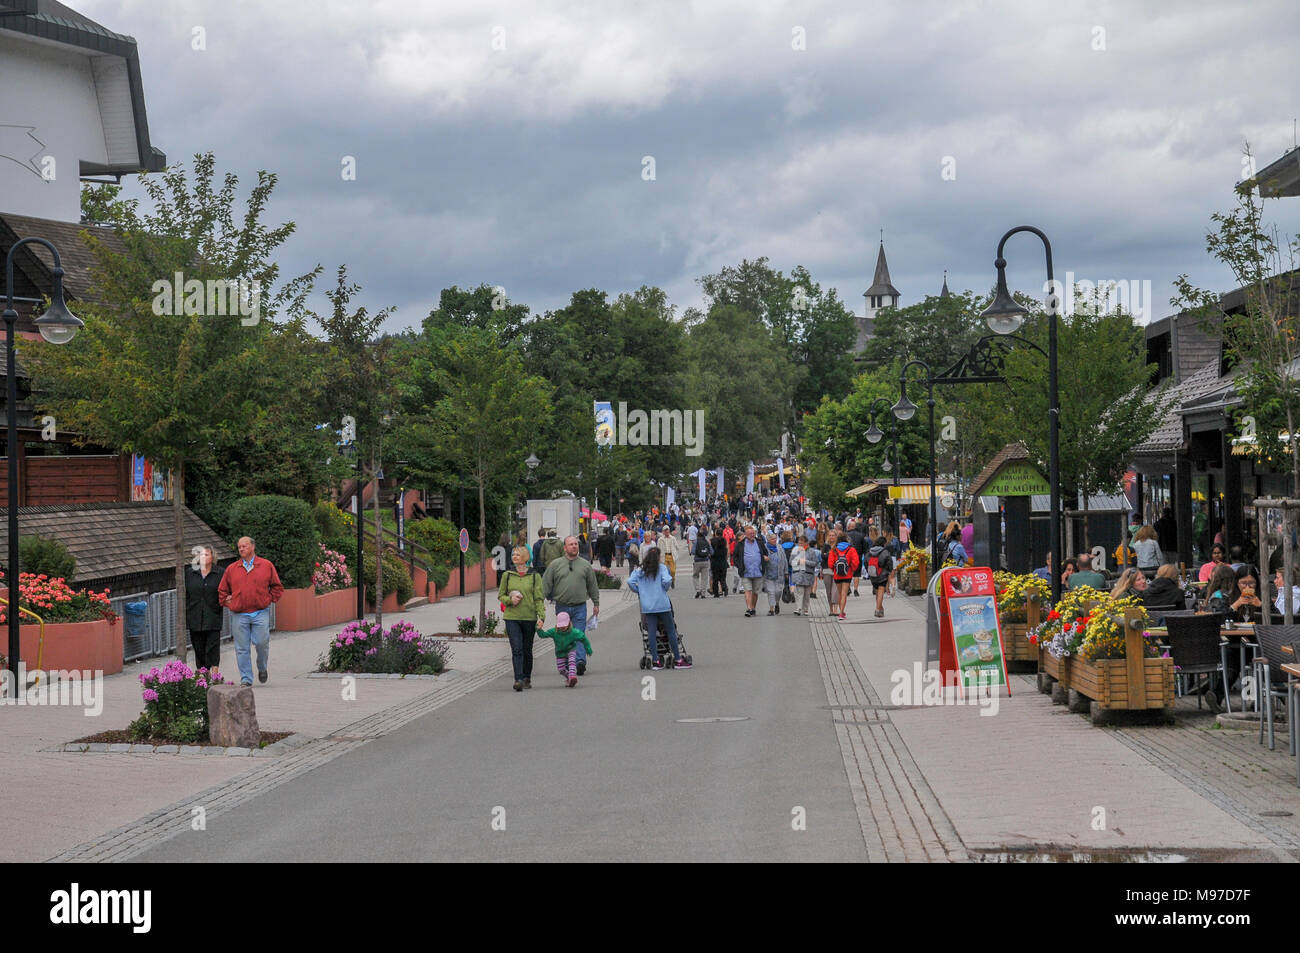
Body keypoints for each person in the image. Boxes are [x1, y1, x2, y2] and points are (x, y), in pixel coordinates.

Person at [217, 536, 284, 687]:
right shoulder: (232, 569)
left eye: (244, 546)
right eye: (239, 547)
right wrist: (228, 602)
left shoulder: (266, 565)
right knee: (241, 648)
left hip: (260, 612)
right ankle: (246, 679)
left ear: (253, 547)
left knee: (262, 643)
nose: (241, 549)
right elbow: (222, 590)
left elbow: (277, 587)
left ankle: (262, 667)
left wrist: (268, 599)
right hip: (239, 614)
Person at [541, 535, 600, 675]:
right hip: (562, 606)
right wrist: (540, 601)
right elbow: (546, 584)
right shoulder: (555, 564)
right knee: (565, 635)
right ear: (565, 548)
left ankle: (579, 662)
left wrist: (596, 603)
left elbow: (592, 585)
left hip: (580, 606)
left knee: (578, 634)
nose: (574, 546)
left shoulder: (585, 565)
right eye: (571, 544)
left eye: (576, 544)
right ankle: (568, 661)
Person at [626, 548, 689, 670]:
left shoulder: (640, 570)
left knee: (651, 632)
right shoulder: (661, 568)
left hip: (648, 605)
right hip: (662, 604)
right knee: (670, 630)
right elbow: (667, 580)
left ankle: (655, 661)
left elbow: (630, 581)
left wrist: (639, 590)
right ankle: (678, 659)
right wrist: (664, 588)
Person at [498, 546, 546, 692]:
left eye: (518, 554)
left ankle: (526, 677)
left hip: (529, 617)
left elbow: (538, 598)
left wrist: (541, 617)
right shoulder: (508, 574)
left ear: (525, 557)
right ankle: (518, 679)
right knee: (516, 649)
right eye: (513, 554)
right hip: (512, 617)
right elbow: (501, 595)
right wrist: (509, 600)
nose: (514, 556)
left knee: (527, 649)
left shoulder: (534, 576)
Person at [185, 544, 223, 672]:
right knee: (198, 647)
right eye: (200, 555)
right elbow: (185, 594)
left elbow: (226, 591)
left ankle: (215, 674)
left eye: (206, 554)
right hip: (194, 615)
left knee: (212, 646)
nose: (203, 557)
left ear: (213, 557)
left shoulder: (220, 573)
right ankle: (203, 674)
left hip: (212, 614)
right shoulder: (190, 573)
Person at [535, 612, 593, 687]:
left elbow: (583, 638)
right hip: (560, 653)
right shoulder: (554, 632)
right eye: (561, 625)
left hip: (570, 649)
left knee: (571, 662)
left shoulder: (573, 632)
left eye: (564, 625)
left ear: (569, 623)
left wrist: (588, 648)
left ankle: (572, 676)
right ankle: (569, 678)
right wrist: (538, 628)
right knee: (561, 669)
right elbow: (543, 635)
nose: (562, 627)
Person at [731, 523, 769, 618]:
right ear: (745, 535)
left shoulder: (759, 542)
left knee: (755, 593)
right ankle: (749, 609)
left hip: (758, 571)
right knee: (748, 590)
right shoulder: (741, 544)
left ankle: (753, 608)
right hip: (746, 572)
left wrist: (764, 557)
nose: (752, 535)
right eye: (750, 534)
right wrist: (739, 565)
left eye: (753, 533)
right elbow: (734, 556)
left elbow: (765, 553)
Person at [829, 529, 860, 620]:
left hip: (837, 575)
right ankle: (841, 613)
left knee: (839, 593)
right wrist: (852, 570)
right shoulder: (851, 549)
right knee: (844, 594)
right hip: (847, 574)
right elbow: (855, 562)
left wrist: (834, 569)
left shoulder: (834, 550)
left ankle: (841, 611)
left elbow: (830, 563)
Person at [789, 535, 821, 616]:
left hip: (808, 575)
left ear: (806, 543)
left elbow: (815, 563)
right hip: (798, 575)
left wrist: (806, 561)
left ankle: (805, 609)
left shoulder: (811, 551)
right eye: (799, 543)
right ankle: (798, 609)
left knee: (806, 594)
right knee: (799, 592)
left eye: (802, 543)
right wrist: (797, 561)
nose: (800, 544)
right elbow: (790, 562)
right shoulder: (795, 550)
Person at [864, 535, 894, 618]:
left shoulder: (869, 551)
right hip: (882, 574)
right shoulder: (884, 552)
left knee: (877, 592)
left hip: (873, 574)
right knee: (881, 591)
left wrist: (869, 571)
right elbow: (889, 563)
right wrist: (889, 570)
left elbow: (866, 562)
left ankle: (880, 609)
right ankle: (877, 609)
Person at [762, 530, 788, 616]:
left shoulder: (779, 547)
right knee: (771, 592)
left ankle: (777, 603)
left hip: (779, 574)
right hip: (768, 573)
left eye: (775, 539)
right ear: (768, 539)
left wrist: (786, 571)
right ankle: (771, 609)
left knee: (778, 591)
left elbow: (784, 560)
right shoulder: (764, 547)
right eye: (772, 539)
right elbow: (760, 558)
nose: (774, 540)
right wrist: (763, 557)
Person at [847, 519, 866, 599]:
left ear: (849, 527)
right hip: (857, 556)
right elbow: (864, 547)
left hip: (847, 557)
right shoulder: (861, 535)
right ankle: (855, 589)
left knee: (848, 573)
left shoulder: (845, 535)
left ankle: (848, 588)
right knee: (857, 574)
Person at [691, 529, 713, 599]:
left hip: (697, 561)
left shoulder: (696, 542)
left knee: (695, 576)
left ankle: (698, 590)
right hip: (705, 561)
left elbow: (693, 552)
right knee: (704, 578)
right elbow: (712, 552)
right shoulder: (706, 541)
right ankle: (703, 593)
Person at [709, 527, 730, 597]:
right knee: (722, 577)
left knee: (715, 578)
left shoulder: (711, 540)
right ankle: (725, 588)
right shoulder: (724, 540)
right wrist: (726, 558)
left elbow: (710, 550)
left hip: (714, 561)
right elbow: (727, 550)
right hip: (723, 560)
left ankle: (716, 593)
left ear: (715, 533)